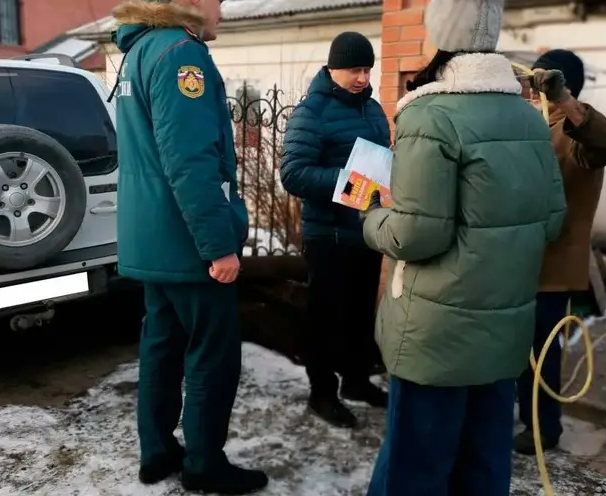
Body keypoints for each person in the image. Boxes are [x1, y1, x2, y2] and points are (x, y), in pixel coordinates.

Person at [361, 0, 567, 493]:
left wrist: (371, 219)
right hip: (502, 335)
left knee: (415, 470)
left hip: (437, 336)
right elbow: (553, 219)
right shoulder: (529, 118)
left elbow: (417, 233)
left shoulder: (431, 115)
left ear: (437, 30)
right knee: (483, 468)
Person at [112, 0, 268, 493]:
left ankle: (157, 453)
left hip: (155, 239)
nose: (222, 7)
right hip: (187, 244)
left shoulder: (138, 51)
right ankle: (203, 464)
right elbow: (192, 163)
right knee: (211, 355)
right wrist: (218, 246)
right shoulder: (182, 54)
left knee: (161, 347)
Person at [515, 49, 606, 455]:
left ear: (564, 85)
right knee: (512, 348)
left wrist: (564, 100)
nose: (532, 90)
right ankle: (518, 410)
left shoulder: (577, 129)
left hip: (552, 266)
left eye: (541, 83)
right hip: (513, 261)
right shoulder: (527, 123)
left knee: (542, 353)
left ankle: (543, 428)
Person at [280, 32, 391, 429]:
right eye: (354, 70)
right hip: (327, 236)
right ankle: (322, 394)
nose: (362, 77)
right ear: (332, 68)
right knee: (326, 319)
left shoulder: (374, 110)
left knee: (361, 315)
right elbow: (293, 174)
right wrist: (350, 183)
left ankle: (357, 382)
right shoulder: (312, 112)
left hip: (366, 232)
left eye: (366, 69)